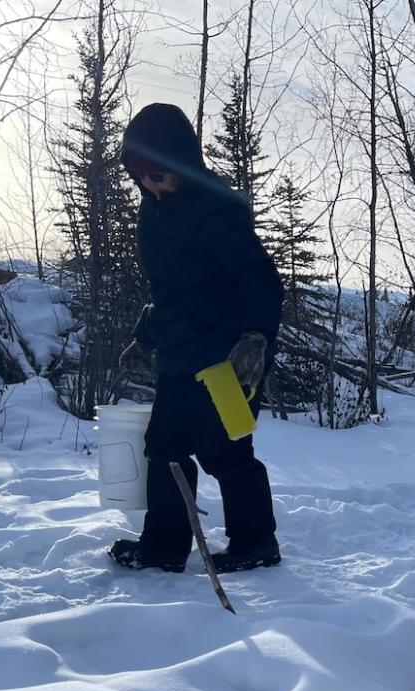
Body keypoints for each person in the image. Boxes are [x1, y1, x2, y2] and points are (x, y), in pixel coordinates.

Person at [109, 102, 284, 574]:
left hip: (227, 356)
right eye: (139, 174)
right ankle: (163, 548)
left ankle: (255, 543)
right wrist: (144, 336)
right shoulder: (154, 213)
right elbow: (168, 290)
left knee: (225, 451)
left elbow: (261, 281)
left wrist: (256, 337)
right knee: (164, 448)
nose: (149, 183)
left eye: (158, 173)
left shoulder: (218, 208)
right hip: (179, 351)